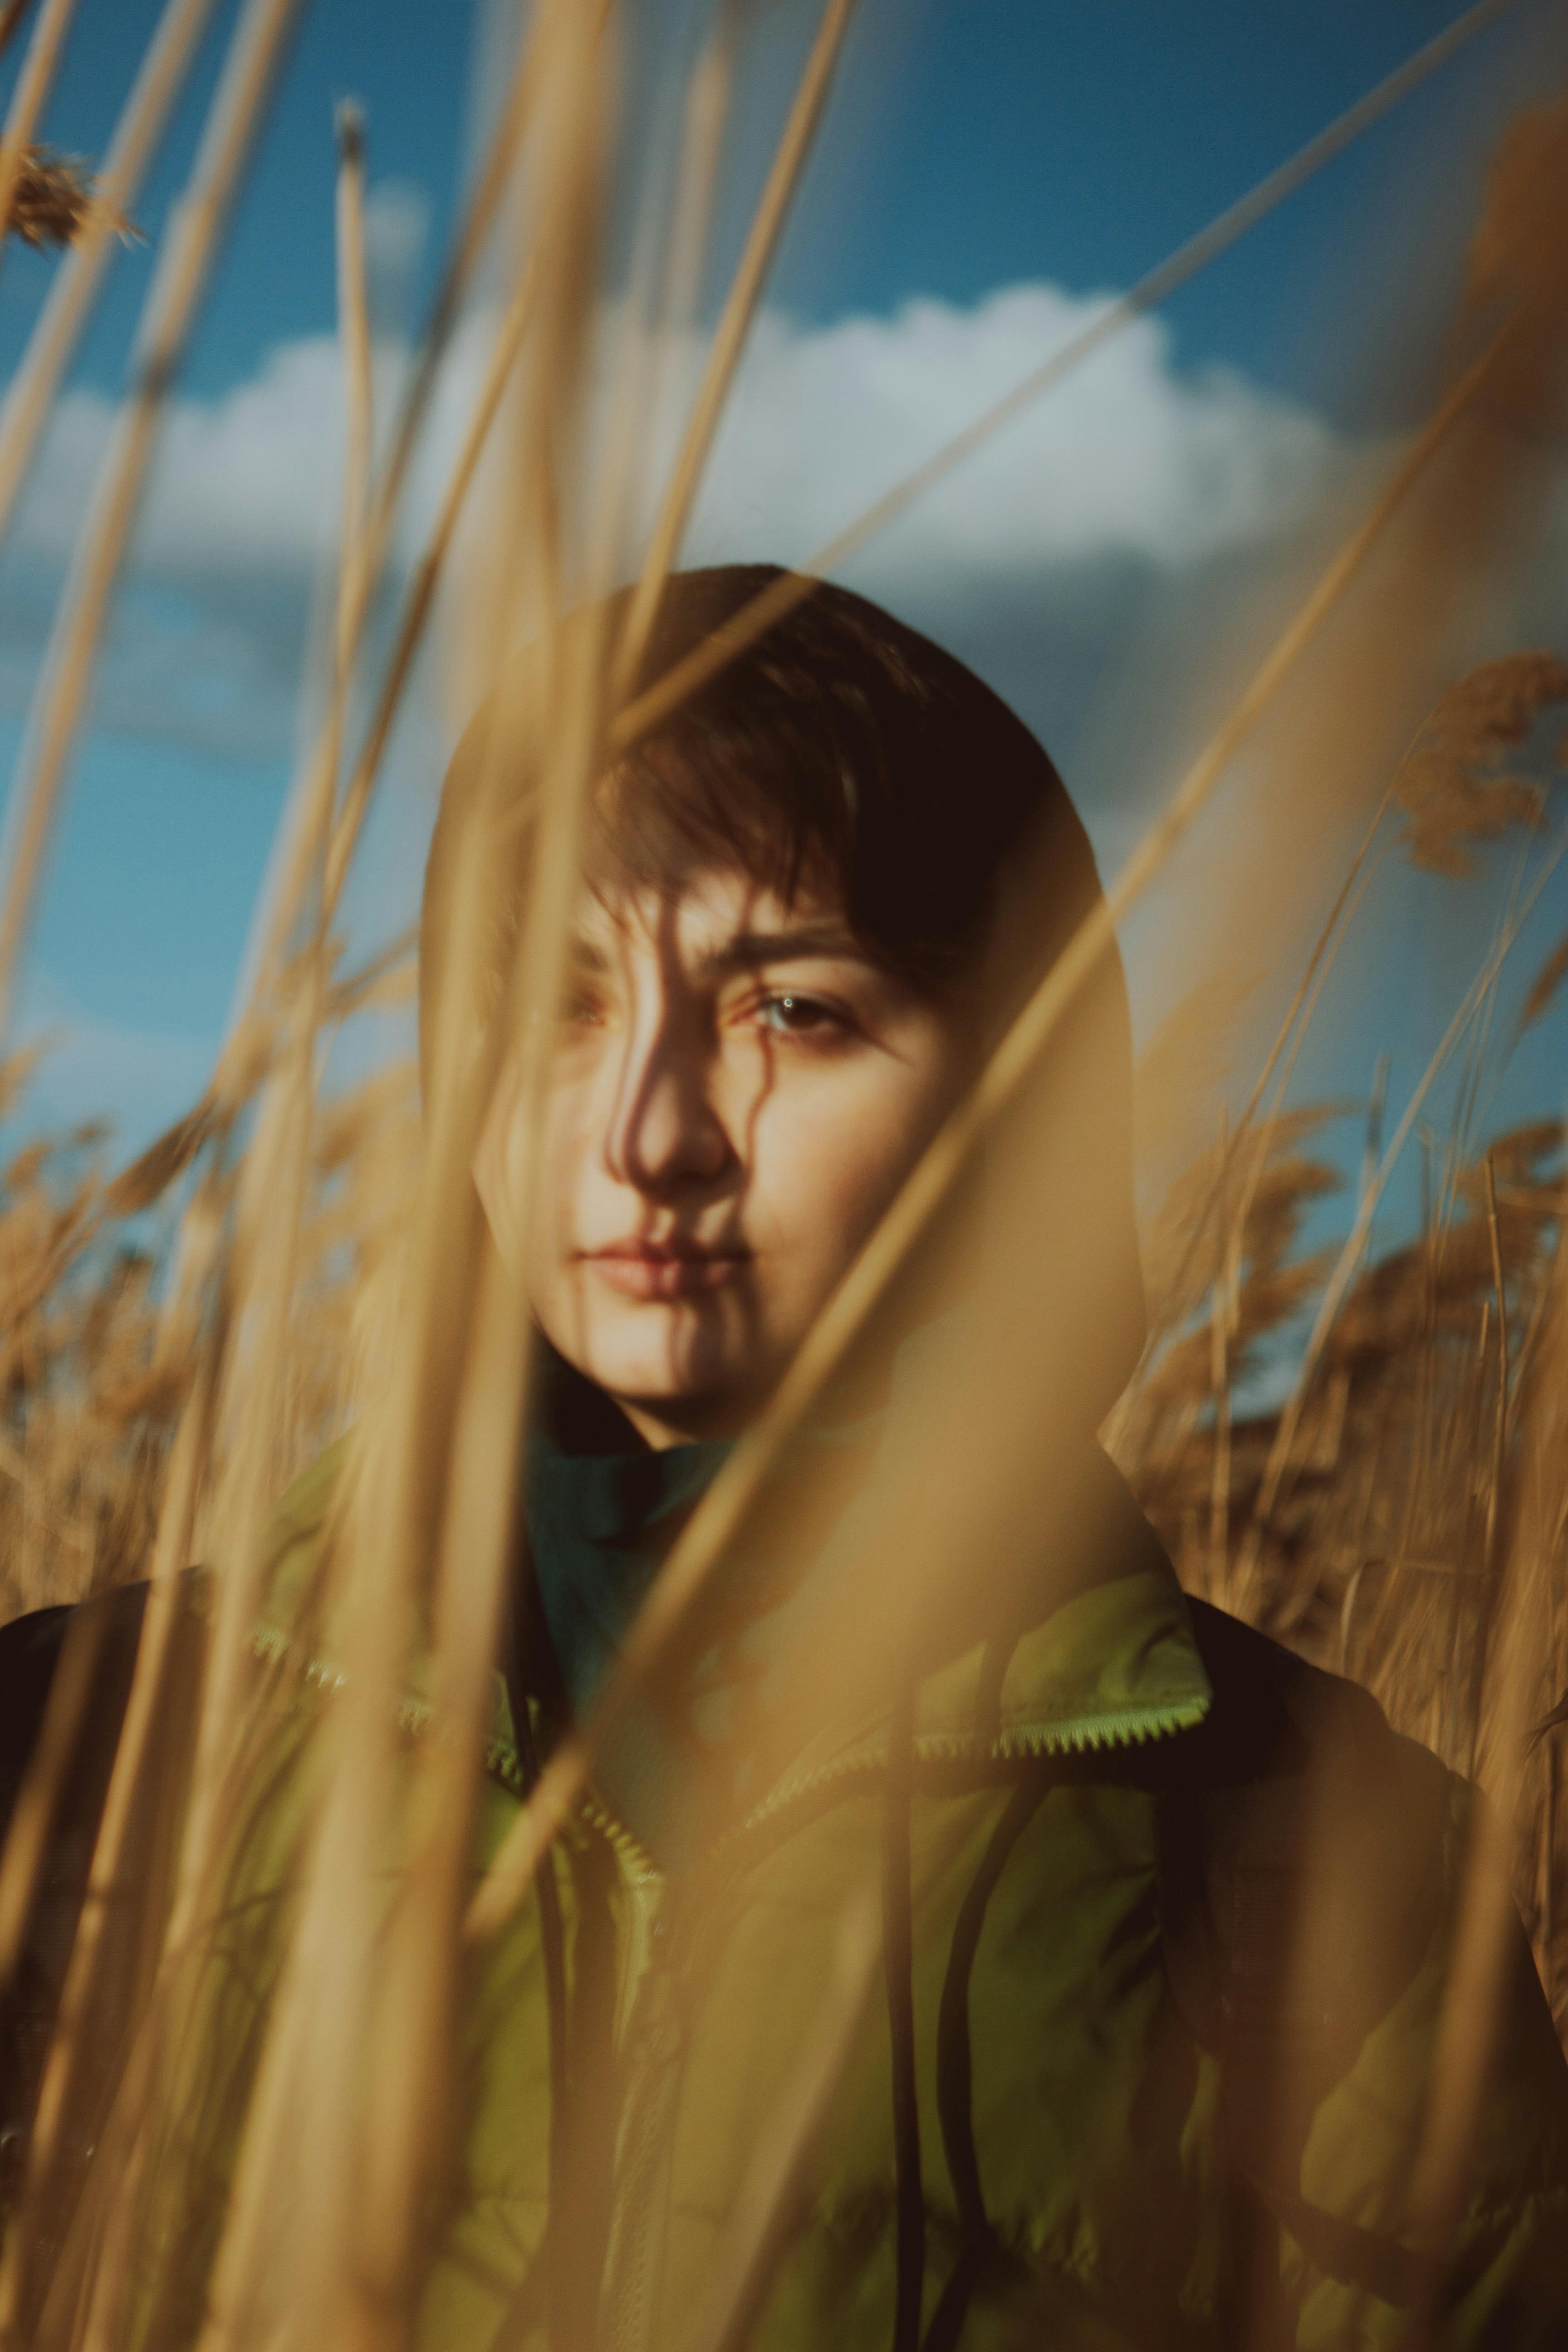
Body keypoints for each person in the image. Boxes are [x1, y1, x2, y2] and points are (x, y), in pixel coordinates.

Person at [1, 567, 1566, 2351]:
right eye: (562, 1004)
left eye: (793, 1013)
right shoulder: (94, 1758)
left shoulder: (1307, 1849)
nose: (654, 1130)